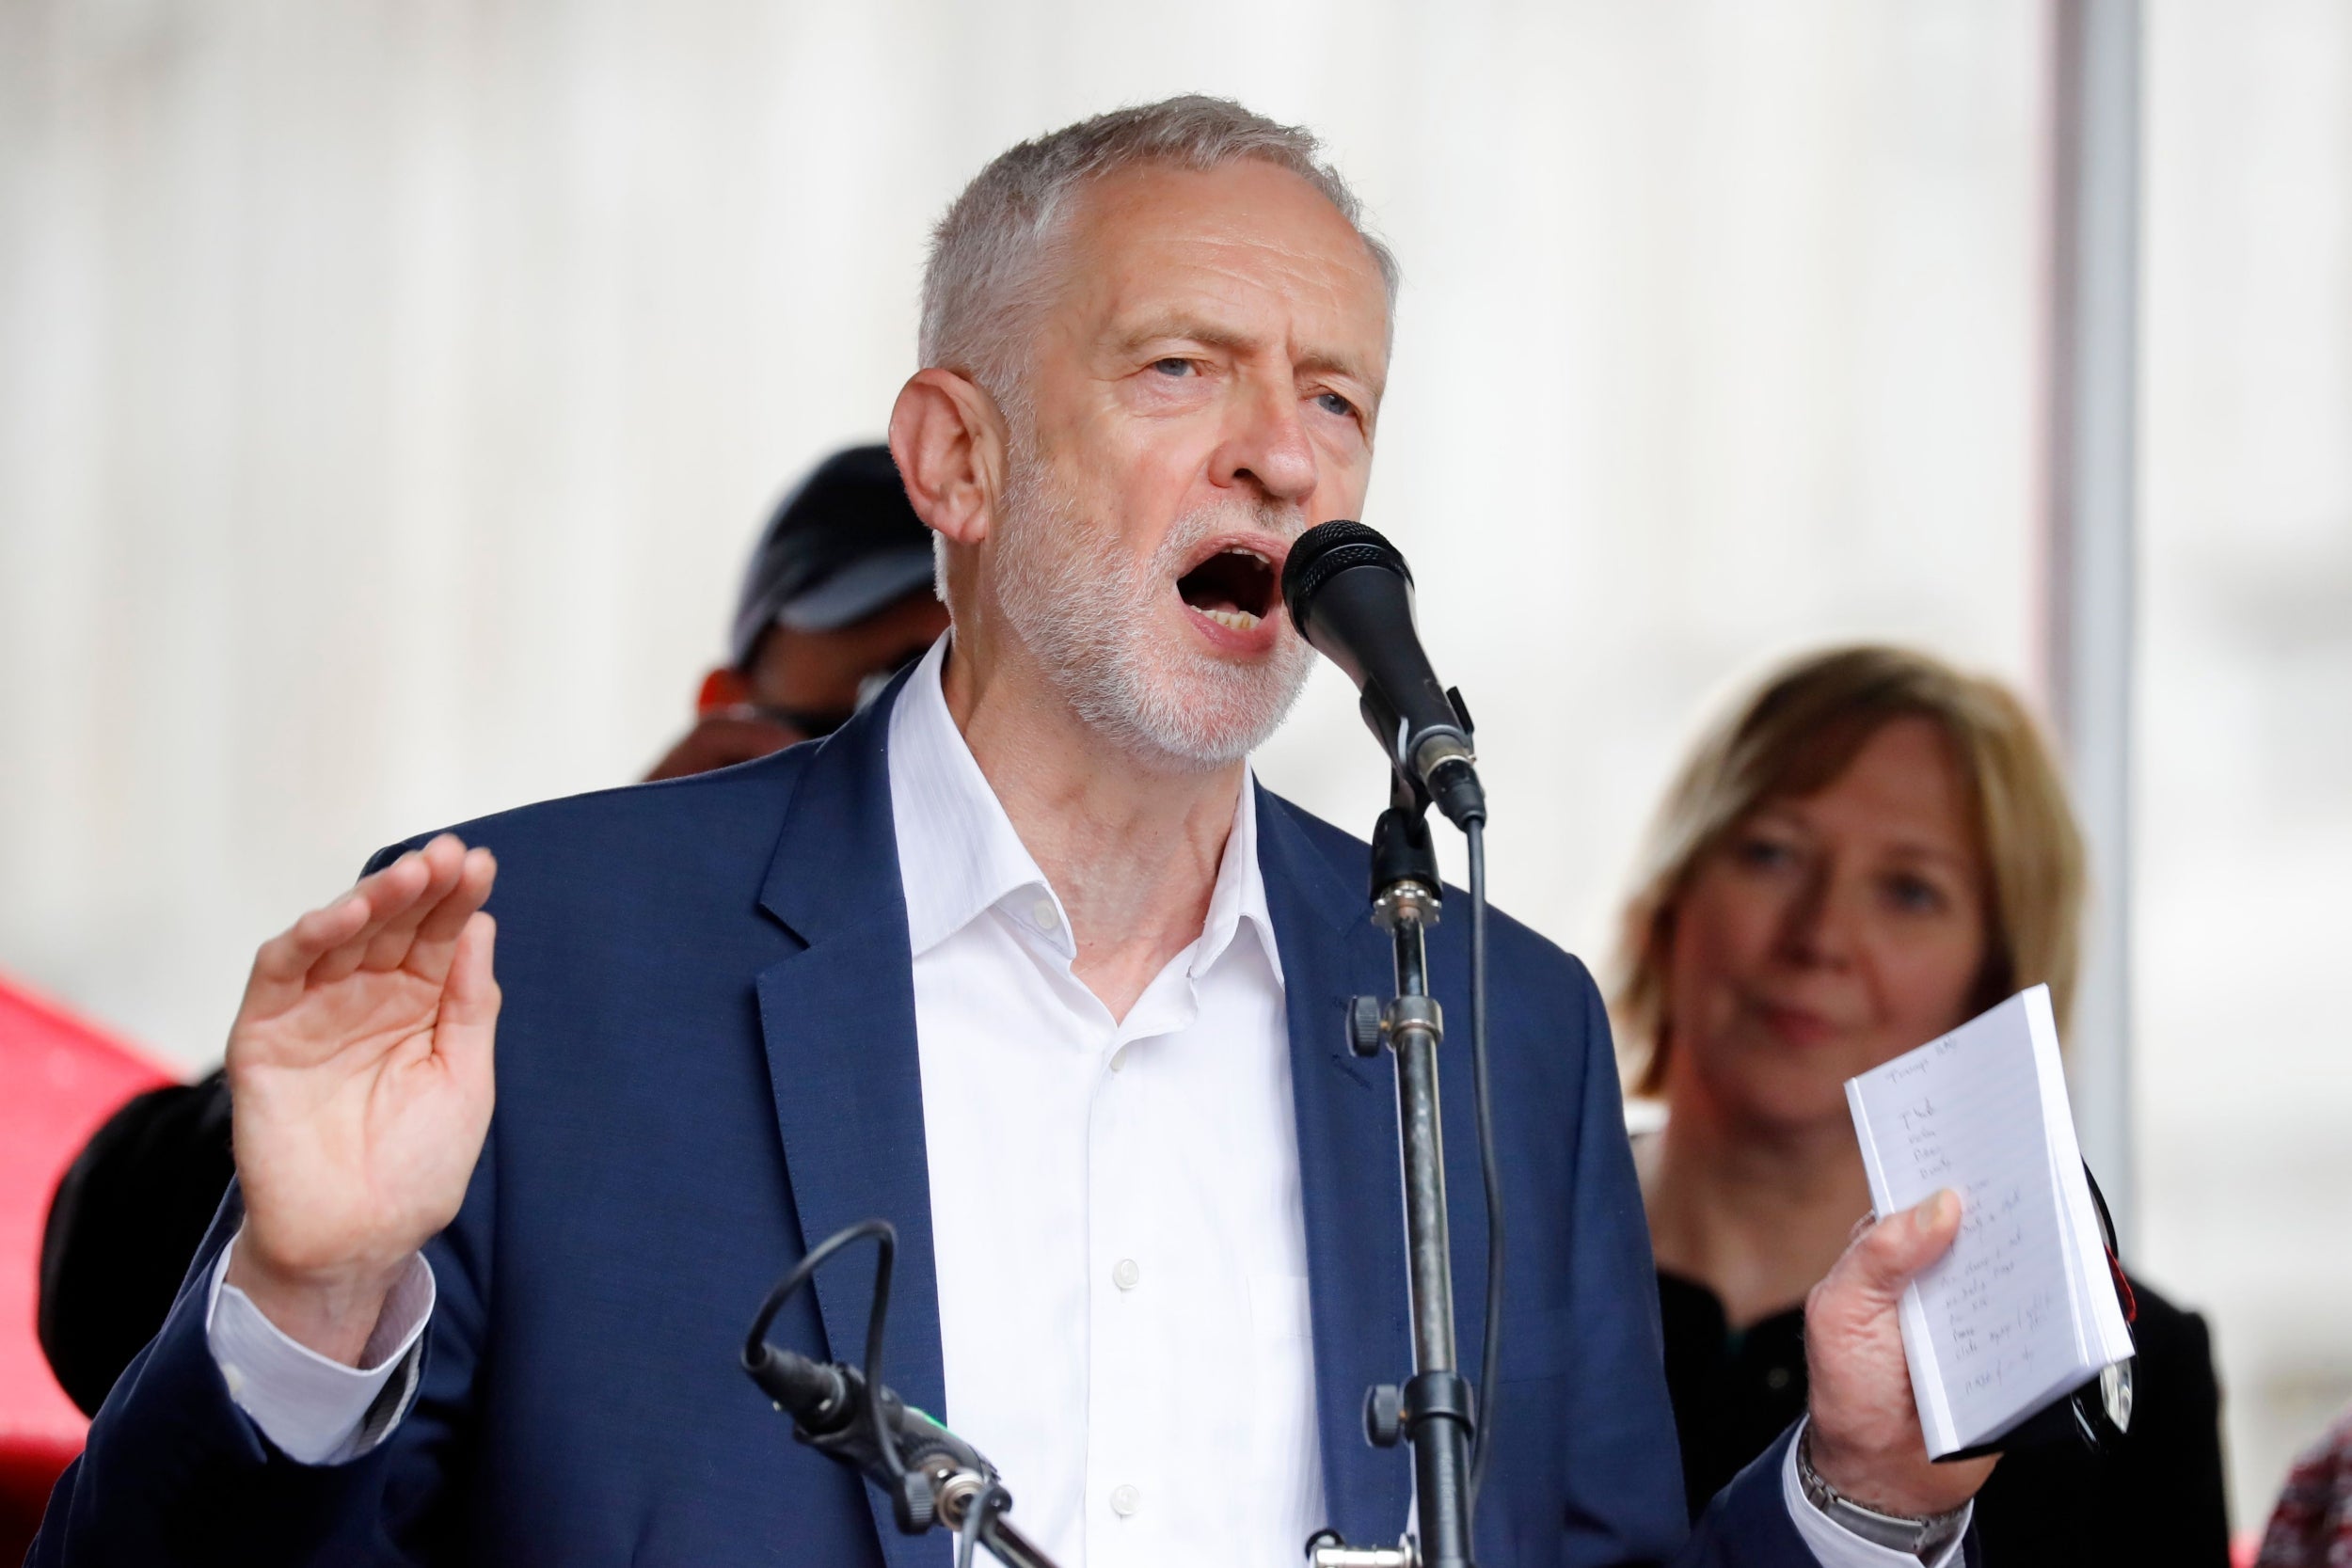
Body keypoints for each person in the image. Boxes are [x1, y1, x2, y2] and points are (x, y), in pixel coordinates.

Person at [33, 99, 1992, 1567]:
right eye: (1180, 367)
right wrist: (306, 1308)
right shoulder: (544, 952)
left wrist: (1859, 1496)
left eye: (1334, 398)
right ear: (955, 459)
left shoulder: (1504, 1026)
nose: (1281, 454)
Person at [34, 443, 947, 1418]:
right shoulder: (572, 972)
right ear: (729, 716)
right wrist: (597, 928)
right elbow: (117, 1309)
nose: (917, 763)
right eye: (883, 696)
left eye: (957, 700)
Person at [1613, 643, 2231, 1565]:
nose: (1820, 934)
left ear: (1994, 981)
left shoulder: (2112, 1367)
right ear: (1671, 898)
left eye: (1909, 889)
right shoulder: (1473, 1252)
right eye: (1771, 852)